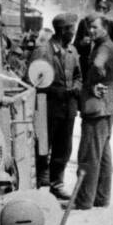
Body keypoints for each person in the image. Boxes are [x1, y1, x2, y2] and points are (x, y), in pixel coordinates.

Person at [71, 14, 113, 210]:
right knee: (103, 153)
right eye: (89, 28)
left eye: (94, 28)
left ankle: (84, 200)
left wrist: (92, 84)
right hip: (108, 104)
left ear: (105, 28)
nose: (90, 31)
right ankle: (101, 197)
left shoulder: (104, 47)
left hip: (97, 105)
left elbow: (98, 64)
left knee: (89, 154)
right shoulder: (107, 45)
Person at [37, 13, 82, 200]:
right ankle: (39, 181)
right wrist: (56, 91)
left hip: (68, 108)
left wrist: (77, 87)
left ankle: (57, 183)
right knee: (42, 146)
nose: (73, 33)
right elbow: (32, 80)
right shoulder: (43, 51)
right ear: (63, 30)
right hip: (48, 107)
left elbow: (79, 76)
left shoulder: (72, 51)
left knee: (64, 148)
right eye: (71, 29)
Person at [75, 0, 113, 76]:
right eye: (99, 7)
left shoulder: (111, 25)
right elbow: (75, 45)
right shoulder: (84, 22)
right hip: (85, 64)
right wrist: (82, 43)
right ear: (95, 7)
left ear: (108, 10)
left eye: (104, 8)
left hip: (102, 65)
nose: (100, 10)